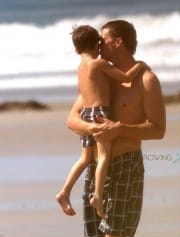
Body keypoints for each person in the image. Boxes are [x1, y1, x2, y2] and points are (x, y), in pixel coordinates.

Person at [67, 20, 166, 237]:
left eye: (104, 40)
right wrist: (94, 127)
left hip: (125, 164)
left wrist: (120, 128)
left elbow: (158, 130)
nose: (99, 44)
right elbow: (73, 119)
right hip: (97, 165)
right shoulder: (102, 75)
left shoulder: (146, 80)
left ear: (118, 42)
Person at [56, 25, 147, 218]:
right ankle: (97, 196)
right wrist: (141, 65)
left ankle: (64, 192)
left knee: (85, 159)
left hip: (86, 113)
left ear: (76, 49)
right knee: (103, 157)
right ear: (95, 46)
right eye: (99, 44)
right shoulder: (97, 64)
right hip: (100, 113)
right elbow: (126, 76)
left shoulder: (80, 68)